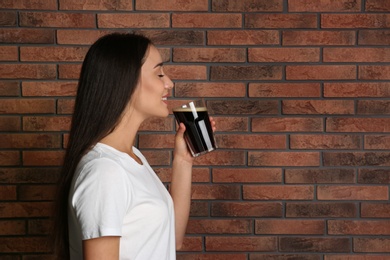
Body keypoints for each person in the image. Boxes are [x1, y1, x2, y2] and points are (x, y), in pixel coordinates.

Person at [53, 32, 216, 260]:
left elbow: (173, 238)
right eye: (159, 73)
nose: (169, 82)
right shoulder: (105, 171)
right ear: (125, 82)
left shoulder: (132, 158)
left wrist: (183, 160)